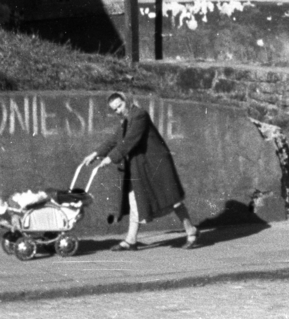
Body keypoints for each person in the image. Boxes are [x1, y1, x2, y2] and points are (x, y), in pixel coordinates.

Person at [82, 92, 200, 250]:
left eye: (120, 106)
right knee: (134, 199)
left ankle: (191, 230)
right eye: (114, 109)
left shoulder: (139, 116)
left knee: (172, 199)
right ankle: (131, 240)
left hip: (156, 164)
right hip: (141, 167)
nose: (118, 110)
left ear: (127, 102)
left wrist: (110, 158)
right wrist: (95, 153)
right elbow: (113, 140)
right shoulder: (125, 121)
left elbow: (129, 141)